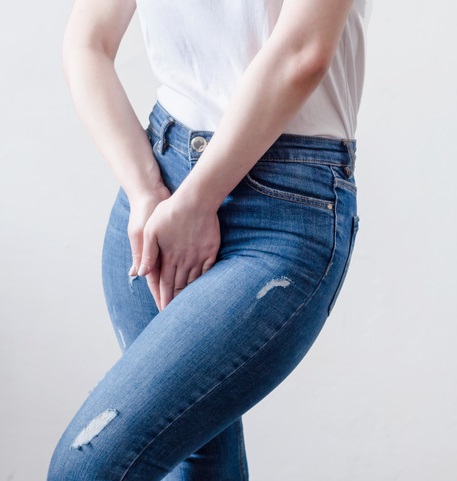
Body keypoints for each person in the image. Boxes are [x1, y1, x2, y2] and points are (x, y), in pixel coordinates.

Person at [47, 0, 372, 479]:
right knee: (198, 461)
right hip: (157, 187)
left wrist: (198, 201)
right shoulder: (152, 192)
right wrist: (145, 189)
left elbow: (302, 53)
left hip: (282, 210)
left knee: (87, 467)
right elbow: (86, 42)